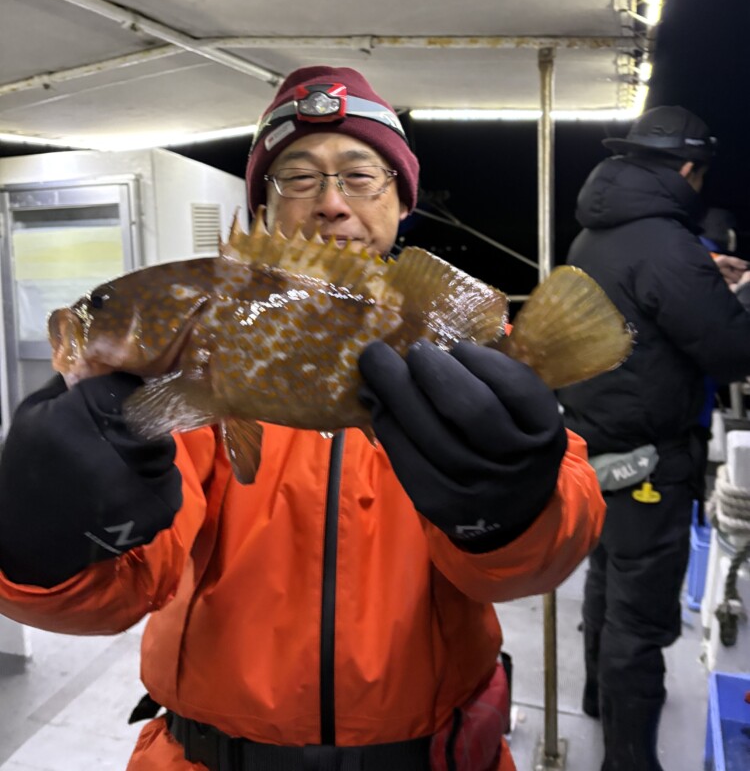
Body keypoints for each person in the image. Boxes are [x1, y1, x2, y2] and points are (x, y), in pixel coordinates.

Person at [0, 65, 605, 771]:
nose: (330, 204)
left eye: (359, 175)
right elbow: (122, 590)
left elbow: (546, 553)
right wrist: (33, 545)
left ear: (401, 200)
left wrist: (514, 511)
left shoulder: (467, 354)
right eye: (297, 177)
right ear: (265, 203)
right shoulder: (173, 391)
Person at [557, 105, 750, 771]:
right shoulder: (670, 244)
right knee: (639, 621)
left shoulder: (596, 232)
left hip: (589, 440)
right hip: (649, 460)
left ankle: (594, 699)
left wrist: (705, 279)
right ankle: (628, 757)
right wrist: (738, 296)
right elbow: (731, 354)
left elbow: (648, 299)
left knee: (606, 578)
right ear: (689, 171)